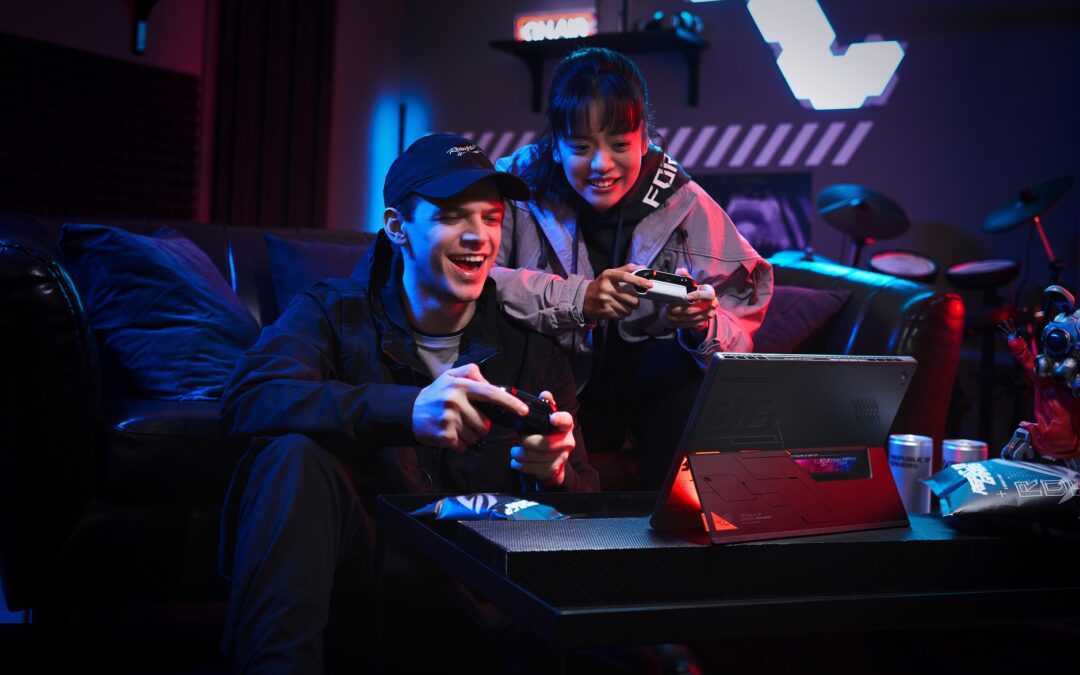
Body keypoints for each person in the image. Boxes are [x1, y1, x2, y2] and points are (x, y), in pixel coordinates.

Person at [217, 133, 599, 674]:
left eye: (491, 218)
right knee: (292, 456)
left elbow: (589, 515)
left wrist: (553, 476)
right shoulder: (333, 313)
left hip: (487, 605)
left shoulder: (533, 350)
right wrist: (406, 409)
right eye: (451, 216)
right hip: (372, 585)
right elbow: (249, 397)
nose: (479, 236)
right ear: (397, 228)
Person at [491, 47, 773, 488]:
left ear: (644, 140)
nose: (601, 165)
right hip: (543, 381)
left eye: (620, 145)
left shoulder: (686, 201)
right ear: (556, 145)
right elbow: (473, 282)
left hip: (641, 396)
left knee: (685, 378)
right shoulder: (514, 186)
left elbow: (740, 339)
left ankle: (671, 526)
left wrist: (702, 325)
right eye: (580, 147)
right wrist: (578, 298)